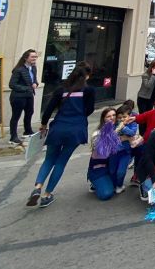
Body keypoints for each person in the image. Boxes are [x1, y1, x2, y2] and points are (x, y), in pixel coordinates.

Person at [27, 64, 96, 208]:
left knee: (49, 159)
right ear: (87, 76)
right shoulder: (88, 90)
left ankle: (38, 186)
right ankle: (47, 194)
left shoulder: (61, 89)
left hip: (58, 127)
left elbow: (48, 110)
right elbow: (89, 110)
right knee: (61, 161)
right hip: (76, 129)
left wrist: (44, 124)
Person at [8, 48, 39, 145]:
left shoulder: (33, 68)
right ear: (26, 58)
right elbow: (12, 84)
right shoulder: (18, 70)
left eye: (35, 57)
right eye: (32, 57)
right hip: (18, 97)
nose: (34, 58)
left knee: (29, 112)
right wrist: (27, 88)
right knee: (16, 116)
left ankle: (27, 131)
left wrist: (35, 84)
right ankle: (13, 137)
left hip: (29, 95)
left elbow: (34, 80)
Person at [87, 108, 119, 201]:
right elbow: (101, 150)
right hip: (99, 168)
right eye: (108, 116)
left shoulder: (119, 129)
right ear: (103, 119)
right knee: (106, 194)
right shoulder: (97, 133)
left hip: (112, 166)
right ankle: (94, 182)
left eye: (114, 115)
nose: (112, 118)